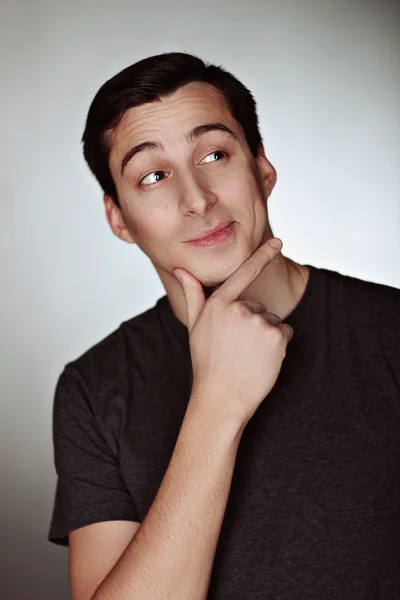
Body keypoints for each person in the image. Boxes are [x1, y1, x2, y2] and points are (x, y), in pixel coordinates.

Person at [48, 52, 400, 600]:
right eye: (154, 175)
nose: (197, 199)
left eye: (214, 154)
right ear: (119, 218)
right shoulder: (94, 388)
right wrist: (216, 404)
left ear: (262, 169)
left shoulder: (390, 332)